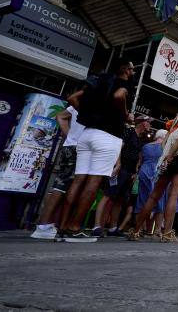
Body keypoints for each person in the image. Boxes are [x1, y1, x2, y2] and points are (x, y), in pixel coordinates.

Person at [59, 61, 135, 242]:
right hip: (108, 137)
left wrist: (90, 114)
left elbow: (72, 98)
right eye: (132, 68)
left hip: (87, 134)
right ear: (125, 69)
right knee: (93, 182)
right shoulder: (124, 85)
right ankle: (76, 227)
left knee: (78, 181)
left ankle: (62, 227)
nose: (133, 72)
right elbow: (119, 96)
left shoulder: (100, 83)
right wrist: (125, 115)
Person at [128, 100, 178, 243]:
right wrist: (171, 156)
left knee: (154, 196)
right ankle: (166, 233)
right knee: (173, 195)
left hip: (167, 156)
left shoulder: (174, 122)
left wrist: (165, 157)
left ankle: (135, 231)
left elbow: (166, 141)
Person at [31, 105, 85, 239]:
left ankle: (46, 224)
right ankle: (44, 226)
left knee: (59, 183)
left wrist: (70, 136)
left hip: (69, 146)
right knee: (63, 186)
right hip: (78, 148)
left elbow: (60, 116)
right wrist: (72, 136)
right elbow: (60, 116)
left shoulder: (78, 103)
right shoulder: (89, 103)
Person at [92, 115, 150, 237]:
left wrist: (135, 171)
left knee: (120, 199)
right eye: (148, 122)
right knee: (108, 195)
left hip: (130, 171)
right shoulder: (129, 131)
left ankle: (113, 227)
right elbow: (119, 146)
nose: (150, 125)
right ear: (143, 123)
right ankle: (97, 226)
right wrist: (117, 163)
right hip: (121, 168)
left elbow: (137, 157)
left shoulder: (141, 138)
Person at [135, 129, 174, 236]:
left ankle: (139, 229)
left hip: (144, 170)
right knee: (159, 199)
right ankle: (157, 230)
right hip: (158, 171)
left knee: (142, 199)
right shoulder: (165, 147)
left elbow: (140, 160)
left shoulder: (146, 146)